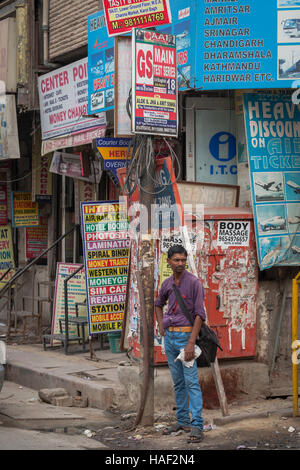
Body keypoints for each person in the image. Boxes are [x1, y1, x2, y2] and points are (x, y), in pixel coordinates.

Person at [155, 244, 206, 443]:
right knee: (178, 382)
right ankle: (183, 421)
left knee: (191, 382)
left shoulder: (194, 283)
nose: (180, 263)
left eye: (183, 260)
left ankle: (197, 425)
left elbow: (200, 315)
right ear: (169, 261)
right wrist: (160, 324)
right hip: (170, 338)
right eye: (176, 260)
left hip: (186, 338)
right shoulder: (167, 284)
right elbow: (158, 303)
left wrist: (191, 343)